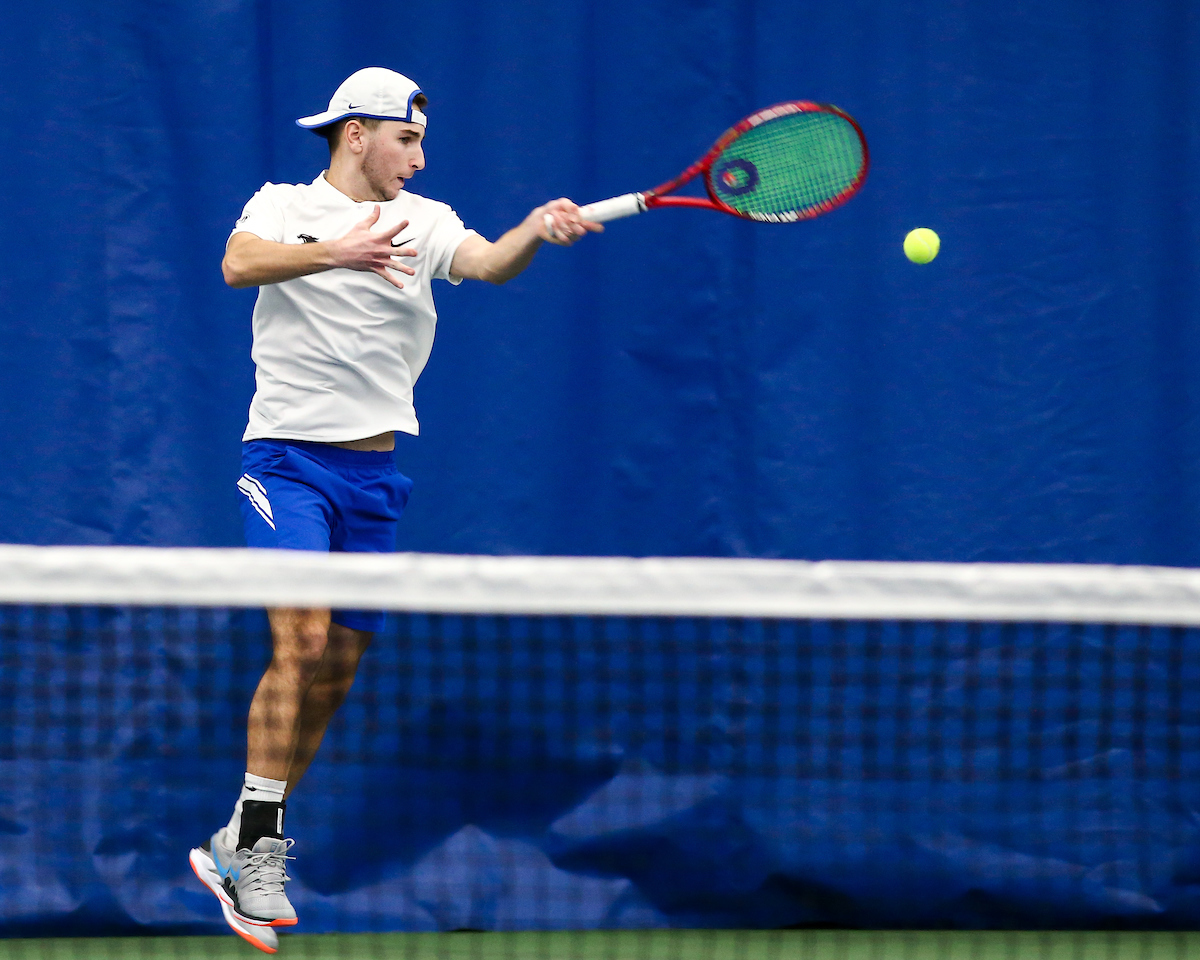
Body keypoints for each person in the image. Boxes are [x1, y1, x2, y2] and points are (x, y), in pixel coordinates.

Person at [187, 66, 600, 953]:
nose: (417, 157)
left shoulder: (429, 221)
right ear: (355, 134)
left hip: (373, 479)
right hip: (287, 464)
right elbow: (236, 263)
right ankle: (258, 847)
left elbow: (487, 267)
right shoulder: (281, 203)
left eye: (420, 142)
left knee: (335, 668)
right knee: (297, 642)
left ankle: (238, 839)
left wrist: (530, 229)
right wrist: (333, 251)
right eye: (405, 139)